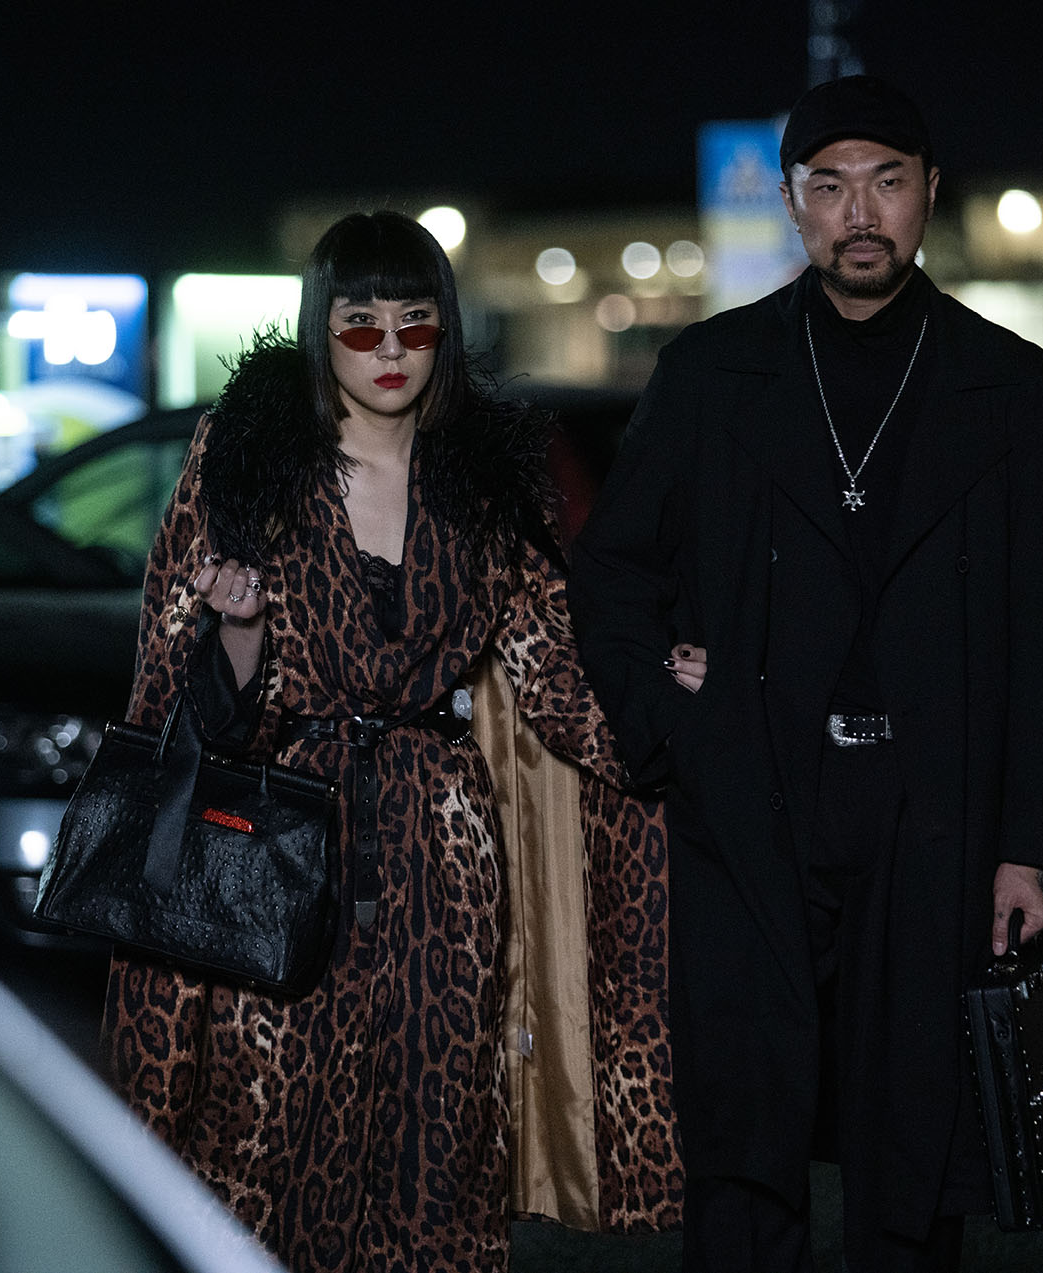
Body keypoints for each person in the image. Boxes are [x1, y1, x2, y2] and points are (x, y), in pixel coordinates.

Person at [568, 76, 1043, 1273]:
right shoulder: (712, 374)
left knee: (914, 1148)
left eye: (887, 182)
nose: (861, 212)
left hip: (933, 818)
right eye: (832, 185)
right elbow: (612, 575)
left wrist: (1030, 847)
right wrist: (669, 720)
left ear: (930, 193)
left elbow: (1041, 637)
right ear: (793, 202)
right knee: (744, 1139)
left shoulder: (1012, 390)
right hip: (752, 807)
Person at [101, 210, 680, 1271]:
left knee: (438, 1149)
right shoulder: (247, 459)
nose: (390, 351)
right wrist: (242, 630)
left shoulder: (484, 482)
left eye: (415, 324)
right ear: (320, 330)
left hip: (443, 859)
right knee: (259, 1140)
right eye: (361, 326)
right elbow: (179, 700)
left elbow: (557, 673)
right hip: (276, 843)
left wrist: (672, 694)